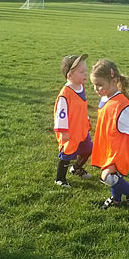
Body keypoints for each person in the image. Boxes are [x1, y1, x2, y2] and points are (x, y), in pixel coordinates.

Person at [90, 59, 129, 216]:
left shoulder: (120, 104)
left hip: (118, 147)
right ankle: (116, 198)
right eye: (94, 85)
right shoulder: (106, 97)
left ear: (114, 81)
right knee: (114, 175)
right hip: (108, 144)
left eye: (99, 84)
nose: (96, 89)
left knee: (107, 176)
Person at [53, 54, 94, 188]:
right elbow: (61, 115)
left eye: (85, 71)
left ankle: (76, 168)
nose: (85, 74)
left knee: (88, 149)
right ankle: (60, 179)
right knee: (67, 154)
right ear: (69, 75)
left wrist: (87, 120)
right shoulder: (65, 94)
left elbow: (82, 107)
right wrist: (63, 132)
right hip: (70, 132)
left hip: (81, 129)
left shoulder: (81, 87)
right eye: (81, 72)